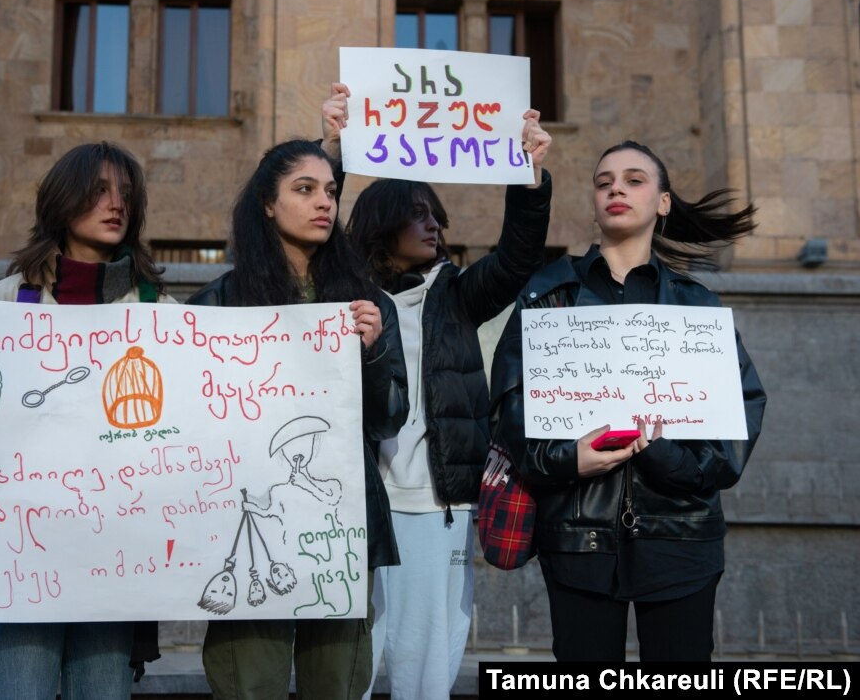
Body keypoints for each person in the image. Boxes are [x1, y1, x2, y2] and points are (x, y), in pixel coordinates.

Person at [0, 141, 169, 699]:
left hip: (112, 550)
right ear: (62, 202)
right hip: (17, 554)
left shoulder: (157, 310)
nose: (116, 204)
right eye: (98, 192)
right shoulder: (3, 302)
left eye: (126, 194)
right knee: (22, 689)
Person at [489, 140, 767, 661]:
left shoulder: (697, 306)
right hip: (576, 541)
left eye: (634, 179)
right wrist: (568, 458)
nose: (616, 187)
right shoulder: (547, 295)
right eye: (603, 182)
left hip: (681, 539)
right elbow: (508, 410)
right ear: (595, 202)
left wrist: (664, 454)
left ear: (663, 202)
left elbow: (737, 426)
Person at [321, 83, 552, 697]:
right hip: (356, 503)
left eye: (434, 215)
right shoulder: (345, 293)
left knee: (428, 654)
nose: (432, 224)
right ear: (383, 222)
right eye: (417, 213)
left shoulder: (458, 293)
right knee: (351, 657)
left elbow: (517, 257)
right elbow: (315, 235)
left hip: (435, 503)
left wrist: (529, 177)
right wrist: (335, 150)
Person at [186, 139, 409, 699]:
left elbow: (389, 420)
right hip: (248, 518)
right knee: (249, 679)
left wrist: (374, 352)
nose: (324, 204)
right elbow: (192, 419)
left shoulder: (367, 305)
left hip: (339, 524)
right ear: (267, 203)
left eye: (331, 192)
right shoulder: (217, 304)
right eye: (304, 190)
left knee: (336, 682)